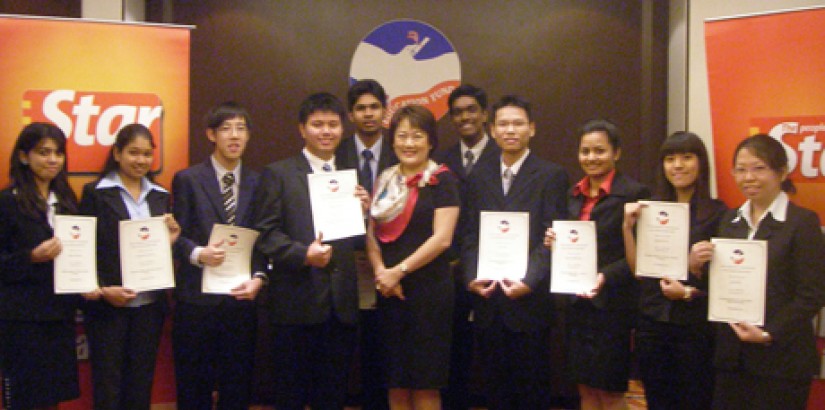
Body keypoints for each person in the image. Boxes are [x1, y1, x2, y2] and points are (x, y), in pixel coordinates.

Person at [251, 92, 370, 410]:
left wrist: (365, 213)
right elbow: (265, 234)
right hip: (296, 304)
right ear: (302, 129)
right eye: (318, 124)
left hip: (340, 306)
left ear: (343, 129)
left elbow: (355, 241)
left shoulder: (349, 177)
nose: (326, 131)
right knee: (290, 394)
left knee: (332, 395)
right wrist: (302, 254)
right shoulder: (279, 174)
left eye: (333, 124)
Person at [689, 134, 825, 410]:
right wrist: (696, 267)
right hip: (732, 358)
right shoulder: (730, 221)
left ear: (782, 172)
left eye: (758, 168)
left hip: (781, 360)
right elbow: (723, 286)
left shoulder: (802, 222)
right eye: (740, 169)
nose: (748, 177)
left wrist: (768, 333)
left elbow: (812, 294)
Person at [462, 95, 569, 410]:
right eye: (503, 124)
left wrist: (529, 280)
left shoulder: (551, 175)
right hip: (488, 299)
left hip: (529, 302)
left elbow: (554, 235)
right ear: (492, 130)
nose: (511, 130)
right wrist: (471, 277)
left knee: (531, 389)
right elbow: (469, 233)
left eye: (518, 123)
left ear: (531, 129)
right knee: (495, 389)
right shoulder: (478, 176)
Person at [546, 119, 649, 410]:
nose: (591, 158)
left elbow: (640, 256)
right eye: (585, 151)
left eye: (599, 151)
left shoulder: (634, 194)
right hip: (577, 306)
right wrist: (555, 241)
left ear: (616, 153)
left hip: (613, 306)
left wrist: (604, 276)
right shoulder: (572, 195)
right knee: (585, 389)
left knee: (610, 392)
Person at [622, 132, 727, 410]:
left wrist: (691, 282)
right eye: (670, 159)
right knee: (657, 401)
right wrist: (626, 228)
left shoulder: (718, 214)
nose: (678, 165)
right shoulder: (652, 209)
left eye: (686, 157)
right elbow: (638, 271)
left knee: (694, 400)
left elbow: (725, 286)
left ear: (701, 163)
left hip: (693, 327)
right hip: (653, 323)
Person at [79, 123, 180, 410]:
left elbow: (155, 249)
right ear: (117, 153)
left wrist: (170, 240)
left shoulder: (160, 194)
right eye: (133, 153)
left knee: (141, 381)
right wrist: (101, 289)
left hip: (149, 305)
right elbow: (84, 249)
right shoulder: (96, 193)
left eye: (147, 154)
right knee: (108, 384)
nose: (141, 160)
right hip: (109, 304)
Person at [366, 104, 460, 410]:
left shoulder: (442, 179)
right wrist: (382, 272)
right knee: (396, 381)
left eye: (417, 136)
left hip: (429, 292)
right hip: (389, 291)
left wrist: (399, 271)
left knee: (424, 383)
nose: (409, 143)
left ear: (430, 141)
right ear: (392, 141)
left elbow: (442, 238)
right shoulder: (384, 179)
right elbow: (371, 232)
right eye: (402, 136)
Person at [171, 102, 264, 409]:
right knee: (192, 382)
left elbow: (265, 239)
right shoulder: (187, 179)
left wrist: (260, 278)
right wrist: (197, 253)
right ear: (211, 134)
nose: (234, 136)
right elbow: (174, 237)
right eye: (226, 129)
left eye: (241, 129)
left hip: (240, 297)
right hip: (197, 298)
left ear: (249, 135)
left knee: (237, 382)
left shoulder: (260, 181)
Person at [0, 123, 84, 409]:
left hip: (59, 315)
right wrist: (30, 257)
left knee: (52, 398)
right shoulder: (7, 202)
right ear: (24, 156)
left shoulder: (68, 201)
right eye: (43, 152)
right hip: (22, 319)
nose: (52, 160)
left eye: (58, 153)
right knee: (25, 398)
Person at [434, 84, 500, 410]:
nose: (464, 117)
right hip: (449, 271)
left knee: (496, 355)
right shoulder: (441, 160)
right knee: (454, 350)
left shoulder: (504, 154)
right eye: (457, 112)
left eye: (471, 109)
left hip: (496, 268)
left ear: (485, 114)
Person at [336, 79, 397, 410]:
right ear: (350, 114)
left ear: (385, 111)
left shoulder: (400, 150)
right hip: (344, 260)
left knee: (383, 345)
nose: (368, 114)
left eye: (375, 107)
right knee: (343, 346)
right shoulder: (335, 153)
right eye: (361, 108)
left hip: (388, 262)